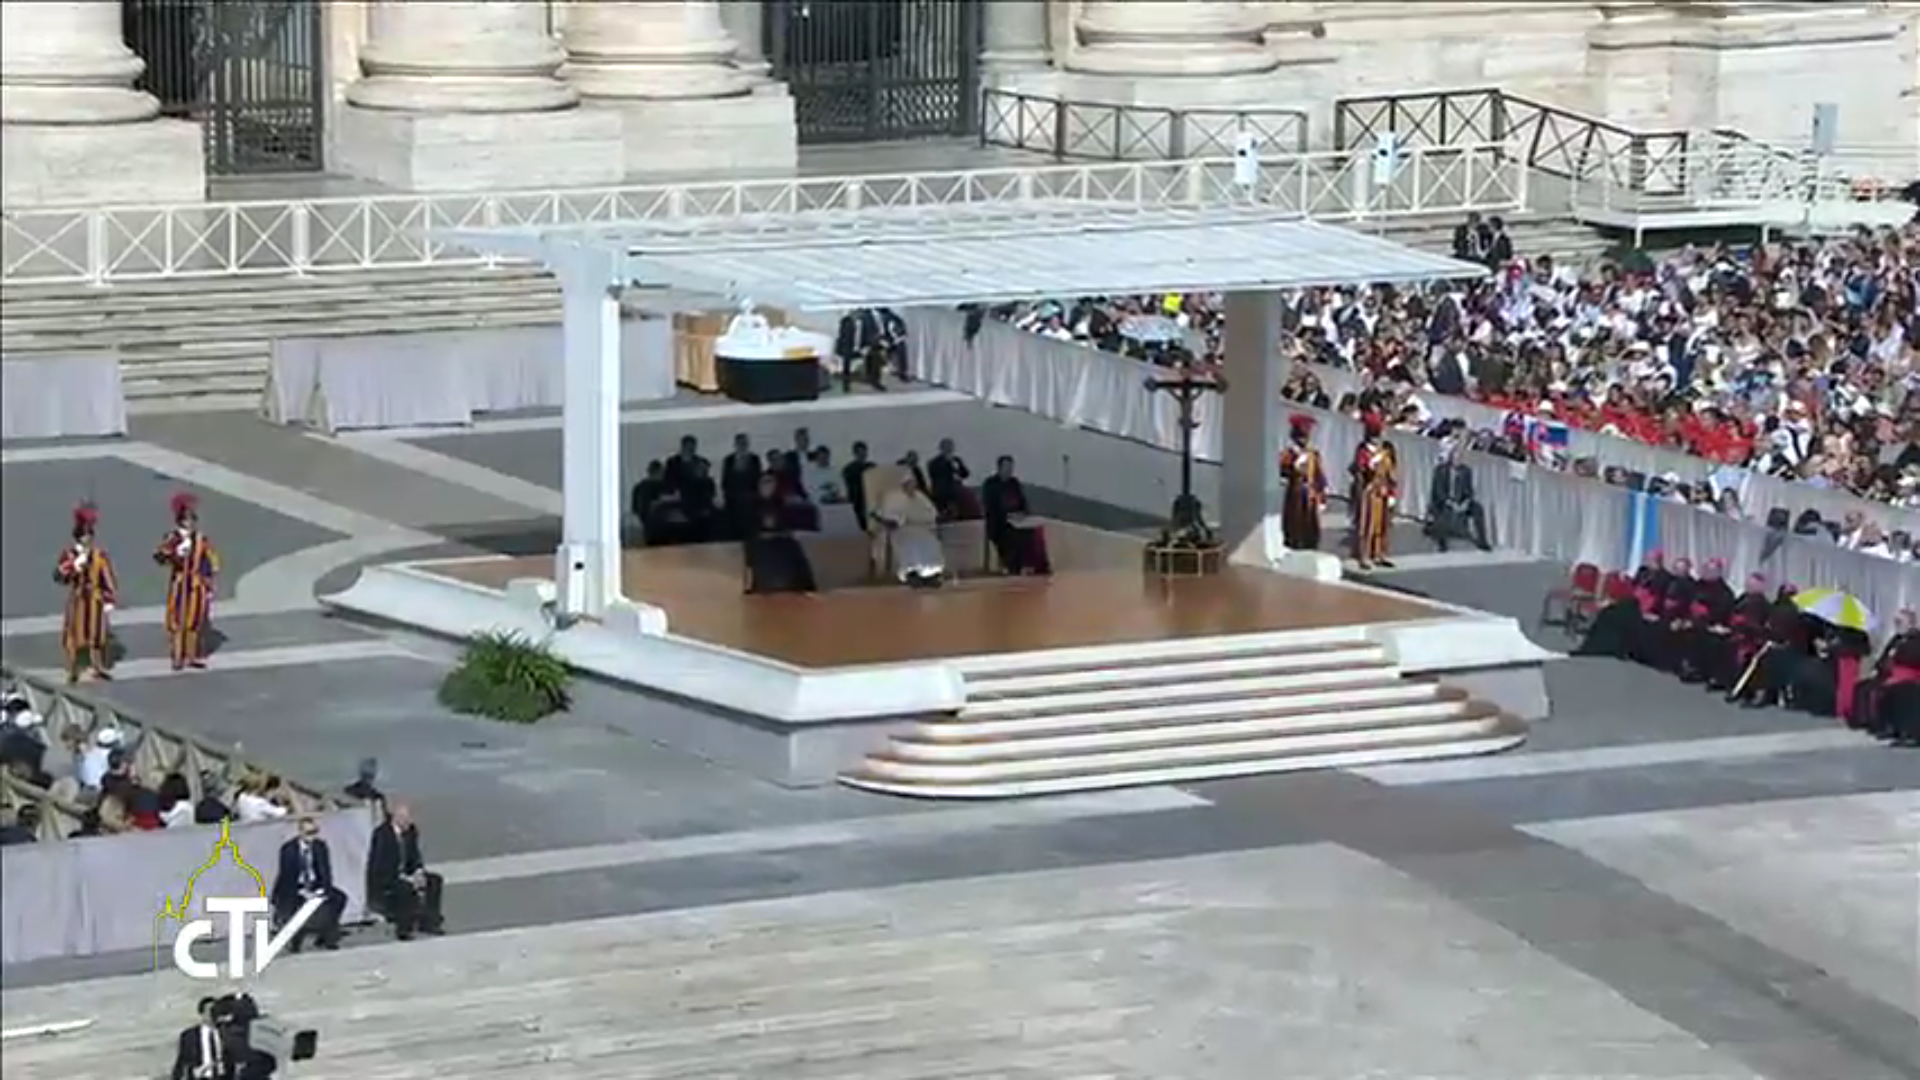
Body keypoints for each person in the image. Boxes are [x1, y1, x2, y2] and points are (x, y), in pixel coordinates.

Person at [154, 491, 220, 671]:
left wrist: (209, 582)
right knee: (177, 620)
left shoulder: (200, 539)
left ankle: (191, 655)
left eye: (192, 519)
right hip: (180, 583)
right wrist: (174, 553)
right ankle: (177, 656)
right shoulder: (173, 537)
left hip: (196, 584)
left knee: (194, 621)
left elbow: (209, 561)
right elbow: (159, 555)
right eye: (187, 519)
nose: (190, 522)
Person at [55, 502, 116, 684]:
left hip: (95, 599)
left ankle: (97, 666)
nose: (87, 539)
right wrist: (73, 566)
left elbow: (107, 576)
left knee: (96, 634)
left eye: (89, 535)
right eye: (84, 536)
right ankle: (73, 668)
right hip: (78, 599)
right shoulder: (69, 554)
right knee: (74, 634)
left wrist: (109, 597)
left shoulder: (99, 555)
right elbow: (59, 575)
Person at [367, 802, 444, 940]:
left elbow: (415, 855)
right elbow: (379, 865)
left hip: (407, 873)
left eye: (409, 818)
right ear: (396, 818)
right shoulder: (382, 834)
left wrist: (418, 872)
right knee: (405, 888)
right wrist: (405, 878)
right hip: (387, 877)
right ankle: (404, 929)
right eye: (405, 819)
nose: (409, 822)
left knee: (434, 880)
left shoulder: (411, 831)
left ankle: (430, 922)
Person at [270, 816, 344, 953]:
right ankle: (295, 939)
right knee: (295, 906)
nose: (312, 836)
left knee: (338, 898)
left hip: (315, 884)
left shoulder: (320, 846)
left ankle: (327, 936)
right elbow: (287, 876)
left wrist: (324, 890)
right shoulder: (289, 849)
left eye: (315, 832)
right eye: (309, 832)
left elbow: (326, 872)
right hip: (294, 887)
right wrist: (303, 892)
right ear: (300, 832)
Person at [742, 473, 818, 594]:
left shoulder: (783, 502)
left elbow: (793, 525)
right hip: (762, 547)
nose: (768, 486)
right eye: (765, 483)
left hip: (784, 544)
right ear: (758, 486)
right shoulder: (750, 504)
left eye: (771, 482)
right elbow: (749, 529)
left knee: (793, 550)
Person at [980, 455, 1051, 576]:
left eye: (1011, 467)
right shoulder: (990, 484)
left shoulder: (1014, 483)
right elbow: (990, 507)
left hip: (1017, 521)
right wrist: (1007, 517)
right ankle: (1014, 566)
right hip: (999, 524)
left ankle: (1037, 566)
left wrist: (1022, 515)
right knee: (1015, 537)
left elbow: (1023, 503)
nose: (1009, 470)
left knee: (1034, 533)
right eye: (1006, 467)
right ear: (999, 468)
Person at [873, 471, 945, 587]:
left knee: (931, 542)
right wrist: (894, 521)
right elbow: (885, 515)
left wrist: (933, 519)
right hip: (902, 529)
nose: (911, 486)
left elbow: (932, 512)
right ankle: (911, 574)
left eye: (913, 483)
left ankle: (932, 574)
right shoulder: (893, 497)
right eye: (908, 483)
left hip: (924, 528)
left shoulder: (920, 496)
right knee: (909, 543)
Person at [1349, 414, 1398, 569]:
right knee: (1367, 524)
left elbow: (1391, 474)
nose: (1378, 439)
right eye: (1375, 436)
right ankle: (1364, 555)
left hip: (1383, 492)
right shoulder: (1363, 451)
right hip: (1369, 492)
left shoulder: (1385, 451)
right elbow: (1359, 470)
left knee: (1382, 524)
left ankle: (1379, 553)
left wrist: (1392, 493)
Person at [1425, 438, 1490, 552]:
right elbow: (1438, 492)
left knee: (1478, 508)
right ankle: (1442, 542)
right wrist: (1450, 503)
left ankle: (1482, 541)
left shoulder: (1466, 471)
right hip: (1444, 501)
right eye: (1456, 456)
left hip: (1461, 501)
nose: (1459, 459)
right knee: (1442, 511)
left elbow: (1469, 491)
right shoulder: (1440, 470)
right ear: (1451, 457)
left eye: (1461, 457)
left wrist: (1466, 502)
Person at [1679, 559, 1736, 685]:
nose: (1706, 572)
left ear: (1718, 572)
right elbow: (1686, 603)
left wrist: (1698, 621)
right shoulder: (1697, 585)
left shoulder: (1724, 592)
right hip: (1693, 620)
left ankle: (1697, 669)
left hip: (1712, 625)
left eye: (1710, 570)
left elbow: (1719, 614)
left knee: (1700, 635)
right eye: (1705, 569)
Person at [1277, 414, 1327, 552]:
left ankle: (1310, 543)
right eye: (1300, 437)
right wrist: (1292, 466)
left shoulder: (1313, 454)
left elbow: (1319, 476)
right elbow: (1282, 471)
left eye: (1305, 437)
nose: (1303, 441)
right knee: (1295, 519)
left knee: (1311, 521)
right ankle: (1294, 542)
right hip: (1295, 492)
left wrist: (1322, 496)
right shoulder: (1289, 453)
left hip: (1310, 493)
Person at [171, 996, 230, 1080]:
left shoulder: (227, 1033)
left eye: (215, 1010)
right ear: (202, 1013)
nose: (212, 1014)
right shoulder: (189, 1036)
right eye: (209, 1011)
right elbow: (181, 1063)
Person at [927, 438, 975, 520]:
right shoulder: (934, 462)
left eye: (950, 447)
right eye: (946, 447)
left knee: (956, 516)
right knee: (944, 518)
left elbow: (965, 474)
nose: (949, 449)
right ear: (941, 448)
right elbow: (935, 476)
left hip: (955, 493)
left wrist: (958, 468)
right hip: (942, 494)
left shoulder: (956, 460)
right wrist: (948, 463)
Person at [842, 441, 877, 529]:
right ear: (854, 453)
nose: (862, 454)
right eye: (859, 452)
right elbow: (849, 489)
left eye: (864, 451)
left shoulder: (872, 466)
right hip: (857, 506)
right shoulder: (848, 469)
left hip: (872, 505)